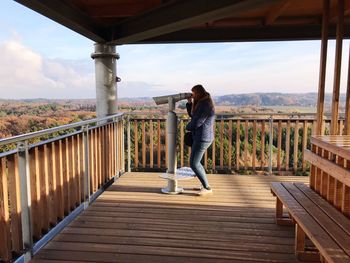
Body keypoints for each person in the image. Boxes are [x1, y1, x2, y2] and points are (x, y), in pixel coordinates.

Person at [186, 84, 215, 196]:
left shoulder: (205, 105)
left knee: (194, 163)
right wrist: (189, 102)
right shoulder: (203, 102)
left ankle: (207, 188)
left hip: (203, 138)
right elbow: (193, 115)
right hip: (201, 137)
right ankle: (204, 185)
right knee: (196, 163)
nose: (192, 95)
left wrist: (187, 127)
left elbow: (197, 122)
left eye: (193, 93)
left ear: (197, 93)